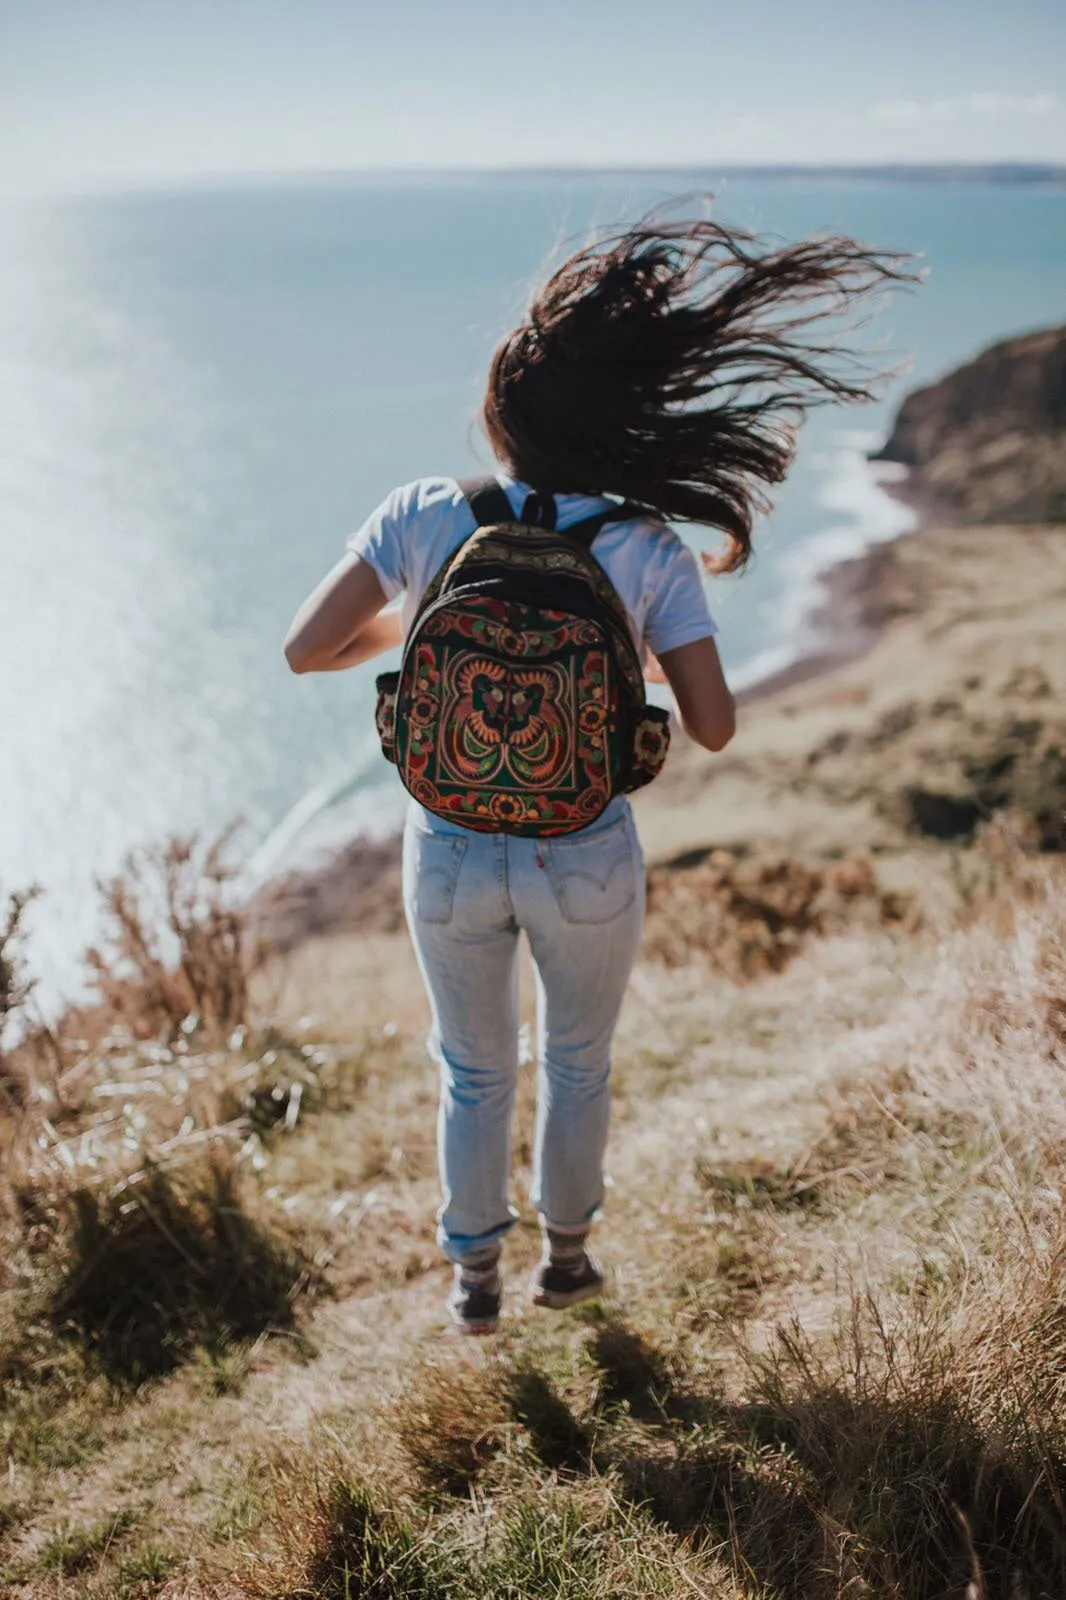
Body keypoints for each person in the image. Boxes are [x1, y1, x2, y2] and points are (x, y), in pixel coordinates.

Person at [283, 204, 909, 1333]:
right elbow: (711, 723)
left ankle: (472, 1280)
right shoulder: (646, 546)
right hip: (584, 849)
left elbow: (305, 648)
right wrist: (614, 668)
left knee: (472, 1071)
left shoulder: (423, 511)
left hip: (450, 844)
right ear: (620, 425)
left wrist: (424, 627)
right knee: (577, 1063)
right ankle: (565, 1264)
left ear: (502, 412)